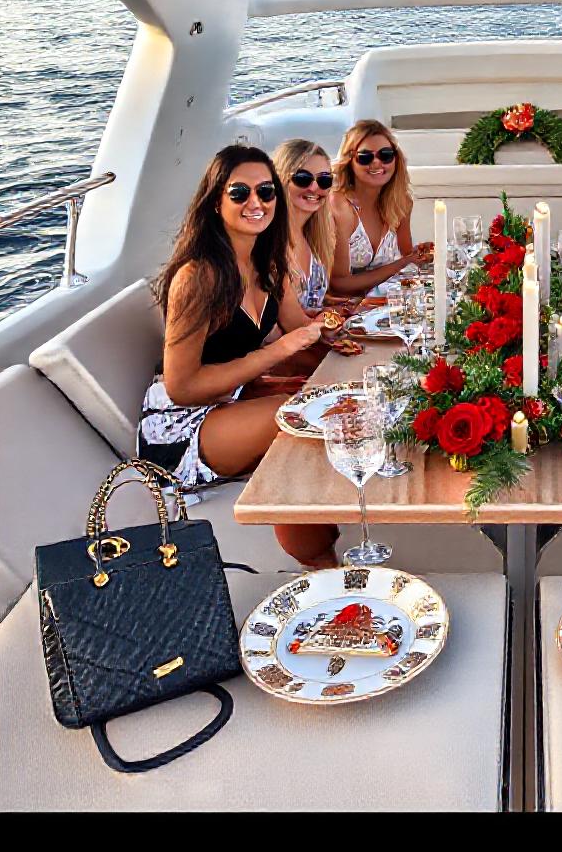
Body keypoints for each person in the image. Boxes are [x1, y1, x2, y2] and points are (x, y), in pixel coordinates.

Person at [138, 144, 339, 568]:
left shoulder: (270, 264)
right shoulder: (198, 277)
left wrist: (359, 348)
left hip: (233, 396)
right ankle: (319, 561)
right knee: (296, 420)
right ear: (216, 201)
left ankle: (334, 528)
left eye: (266, 192)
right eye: (239, 193)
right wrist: (277, 352)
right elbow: (182, 387)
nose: (256, 202)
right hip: (182, 425)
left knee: (329, 397)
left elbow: (301, 329)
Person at [329, 120, 432, 295]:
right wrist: (403, 262)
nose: (377, 163)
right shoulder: (340, 206)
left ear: (395, 159)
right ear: (350, 161)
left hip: (386, 302)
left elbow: (406, 257)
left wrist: (421, 254)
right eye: (365, 157)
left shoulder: (401, 202)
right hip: (345, 305)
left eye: (385, 155)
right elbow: (338, 283)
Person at [273, 138, 335, 314]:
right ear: (281, 179)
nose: (314, 187)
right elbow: (285, 319)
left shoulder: (315, 237)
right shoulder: (272, 242)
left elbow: (309, 303)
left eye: (324, 180)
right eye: (303, 178)